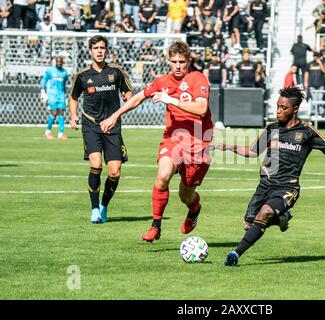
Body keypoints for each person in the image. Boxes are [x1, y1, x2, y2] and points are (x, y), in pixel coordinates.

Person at [212, 87, 325, 266]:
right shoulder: (272, 129)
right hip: (264, 185)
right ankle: (281, 219)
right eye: (277, 106)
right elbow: (252, 151)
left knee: (265, 213)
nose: (278, 111)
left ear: (295, 109)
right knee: (249, 223)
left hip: (287, 187)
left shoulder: (307, 132)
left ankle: (235, 254)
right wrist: (226, 146)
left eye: (283, 108)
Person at [99, 40, 213, 243]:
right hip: (173, 139)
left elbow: (201, 108)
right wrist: (115, 116)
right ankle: (156, 226)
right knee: (163, 175)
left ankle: (194, 210)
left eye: (182, 61)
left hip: (198, 142)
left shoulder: (198, 79)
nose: (178, 66)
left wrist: (172, 101)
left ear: (189, 61)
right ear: (168, 61)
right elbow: (137, 98)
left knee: (186, 195)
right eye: (174, 61)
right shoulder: (162, 82)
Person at [69, 35, 133, 224]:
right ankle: (94, 209)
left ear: (106, 50)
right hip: (91, 125)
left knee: (115, 172)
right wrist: (73, 115)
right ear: (90, 51)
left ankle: (104, 205)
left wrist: (128, 96)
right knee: (96, 164)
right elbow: (73, 97)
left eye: (102, 48)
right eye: (95, 48)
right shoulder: (82, 75)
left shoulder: (117, 72)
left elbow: (128, 91)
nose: (99, 51)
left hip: (112, 126)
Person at [41, 56, 69, 140]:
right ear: (55, 62)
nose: (59, 63)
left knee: (61, 112)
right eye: (58, 62)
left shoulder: (64, 72)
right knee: (54, 112)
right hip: (52, 95)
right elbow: (44, 80)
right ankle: (48, 131)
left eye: (60, 62)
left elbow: (64, 84)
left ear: (62, 63)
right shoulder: (50, 71)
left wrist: (65, 95)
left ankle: (60, 133)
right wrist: (43, 91)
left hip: (61, 95)